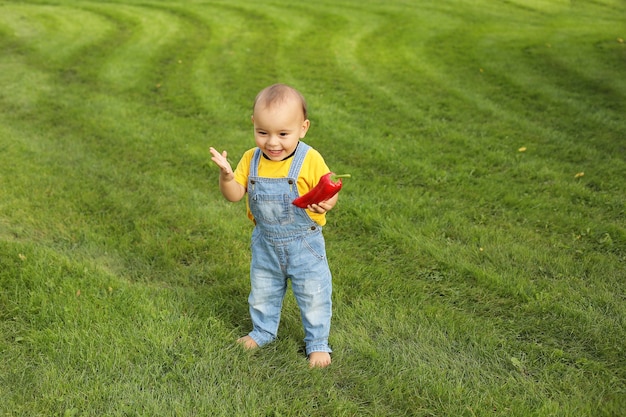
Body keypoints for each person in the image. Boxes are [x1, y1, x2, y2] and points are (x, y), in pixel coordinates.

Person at [209, 84, 339, 368]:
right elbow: (233, 195)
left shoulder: (309, 158)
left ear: (303, 128)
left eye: (283, 134)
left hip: (304, 243)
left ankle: (317, 343)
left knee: (313, 293)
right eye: (263, 133)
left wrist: (328, 201)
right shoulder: (250, 159)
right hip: (266, 242)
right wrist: (226, 176)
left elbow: (330, 187)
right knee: (263, 290)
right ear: (254, 124)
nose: (272, 142)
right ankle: (263, 331)